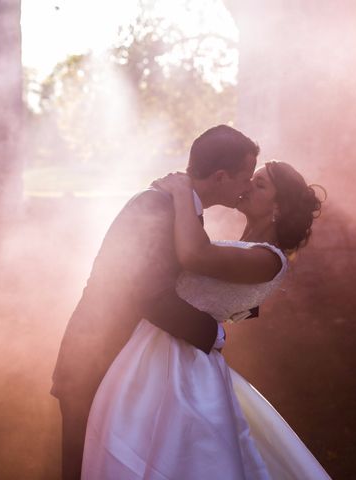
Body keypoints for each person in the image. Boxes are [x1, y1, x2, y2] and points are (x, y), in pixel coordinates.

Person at [82, 161, 330, 479]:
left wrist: (183, 190)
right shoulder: (243, 246)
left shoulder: (268, 259)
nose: (248, 187)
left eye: (260, 184)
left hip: (180, 362)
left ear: (278, 208)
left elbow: (192, 255)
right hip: (157, 345)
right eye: (251, 180)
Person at [51, 125, 260, 480]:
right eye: (246, 177)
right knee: (85, 467)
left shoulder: (179, 207)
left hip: (125, 364)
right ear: (222, 177)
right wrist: (212, 333)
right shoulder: (157, 206)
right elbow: (149, 294)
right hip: (96, 361)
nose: (248, 187)